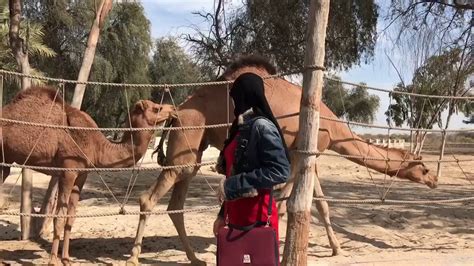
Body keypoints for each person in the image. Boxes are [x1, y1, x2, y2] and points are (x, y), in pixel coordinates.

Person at [213, 72, 291, 254]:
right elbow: (233, 173)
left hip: (258, 216)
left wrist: (233, 185)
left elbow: (280, 170)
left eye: (235, 97)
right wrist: (221, 214)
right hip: (235, 214)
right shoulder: (239, 127)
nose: (233, 103)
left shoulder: (262, 127)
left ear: (244, 95)